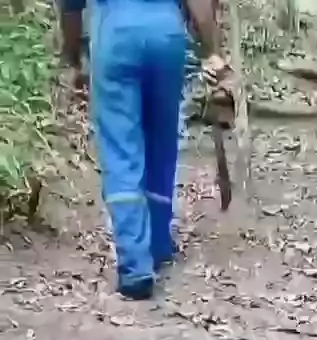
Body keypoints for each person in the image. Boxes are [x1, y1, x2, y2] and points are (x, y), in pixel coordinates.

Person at [60, 0, 226, 300]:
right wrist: (211, 50)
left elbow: (71, 6)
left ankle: (135, 265)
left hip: (115, 35)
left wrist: (72, 58)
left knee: (121, 148)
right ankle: (157, 243)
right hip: (166, 34)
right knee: (161, 139)